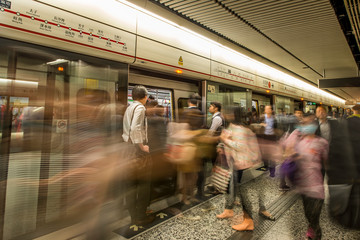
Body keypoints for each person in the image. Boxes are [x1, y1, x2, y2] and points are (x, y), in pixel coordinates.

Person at [216, 106, 274, 232]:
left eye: (228, 113)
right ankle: (239, 213)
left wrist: (225, 140)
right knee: (242, 192)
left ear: (234, 115)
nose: (225, 114)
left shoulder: (240, 129)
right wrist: (223, 144)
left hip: (247, 165)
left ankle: (249, 221)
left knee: (245, 194)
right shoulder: (234, 128)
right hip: (244, 164)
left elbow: (240, 146)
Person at [283, 113, 328, 239]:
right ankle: (311, 226)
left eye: (308, 123)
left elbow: (327, 163)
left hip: (317, 185)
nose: (305, 125)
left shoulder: (322, 142)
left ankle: (315, 231)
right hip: (303, 185)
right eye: (303, 123)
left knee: (315, 218)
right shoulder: (297, 139)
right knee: (308, 214)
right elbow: (285, 152)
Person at [122, 85, 154, 226]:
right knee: (143, 185)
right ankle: (141, 216)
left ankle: (133, 215)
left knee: (130, 185)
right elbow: (136, 128)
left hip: (127, 150)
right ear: (145, 97)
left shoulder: (129, 107)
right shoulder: (140, 108)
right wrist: (142, 146)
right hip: (137, 151)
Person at [259, 105, 280, 177]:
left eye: (269, 109)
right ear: (265, 110)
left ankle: (272, 172)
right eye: (266, 109)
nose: (268, 110)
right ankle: (266, 166)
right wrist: (261, 125)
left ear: (271, 110)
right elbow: (256, 127)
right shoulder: (261, 118)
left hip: (272, 139)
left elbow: (277, 129)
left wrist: (277, 140)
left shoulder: (274, 119)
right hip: (264, 139)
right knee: (265, 156)